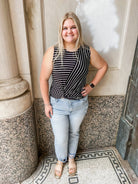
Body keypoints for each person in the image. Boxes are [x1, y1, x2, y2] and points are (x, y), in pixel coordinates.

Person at [40, 11, 108, 179]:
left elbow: (103, 66)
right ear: (60, 31)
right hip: (58, 104)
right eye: (65, 28)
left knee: (74, 133)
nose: (69, 31)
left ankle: (71, 159)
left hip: (79, 104)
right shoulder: (53, 52)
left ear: (78, 29)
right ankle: (60, 160)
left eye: (73, 27)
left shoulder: (87, 52)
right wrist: (47, 103)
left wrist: (91, 86)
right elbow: (43, 79)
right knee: (61, 137)